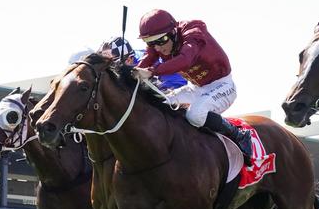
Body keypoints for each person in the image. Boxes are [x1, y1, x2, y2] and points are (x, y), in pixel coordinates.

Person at [135, 9, 252, 163]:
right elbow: (148, 57)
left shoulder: (193, 32)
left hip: (223, 86)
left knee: (195, 115)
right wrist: (131, 72)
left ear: (173, 32)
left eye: (161, 40)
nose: (157, 48)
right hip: (195, 88)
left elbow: (185, 60)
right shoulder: (162, 42)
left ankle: (238, 134)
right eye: (150, 43)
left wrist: (152, 72)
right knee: (161, 106)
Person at [98, 37, 187, 91]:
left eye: (112, 65)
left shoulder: (151, 62)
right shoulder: (129, 57)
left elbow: (179, 82)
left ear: (129, 60)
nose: (110, 68)